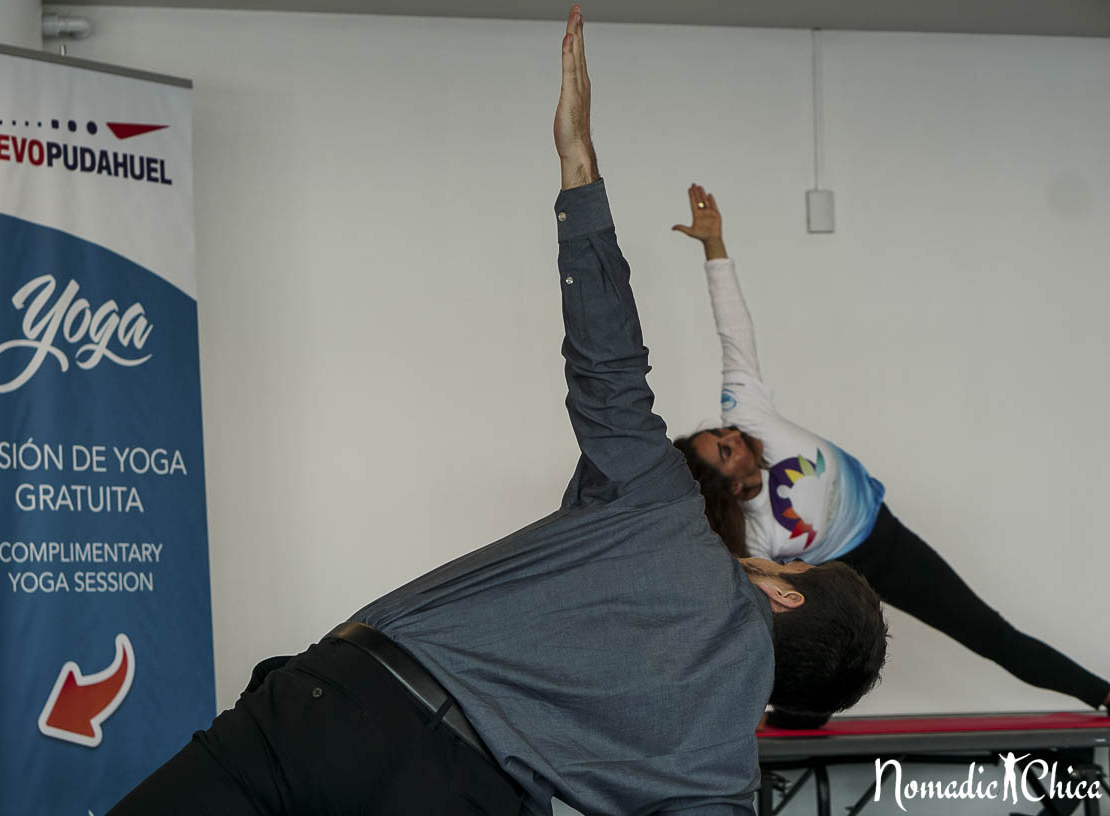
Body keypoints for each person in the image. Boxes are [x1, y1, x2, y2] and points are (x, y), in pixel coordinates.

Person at [106, 10, 888, 815]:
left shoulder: (667, 514)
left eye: (792, 565)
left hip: (346, 704)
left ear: (785, 595)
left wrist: (578, 166)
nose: (776, 559)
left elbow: (611, 364)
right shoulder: (718, 774)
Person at [671, 183, 1110, 728]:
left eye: (723, 432)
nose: (733, 435)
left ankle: (1104, 694)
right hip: (828, 575)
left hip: (883, 540)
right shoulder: (757, 541)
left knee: (988, 632)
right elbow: (743, 601)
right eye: (725, 449)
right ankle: (791, 719)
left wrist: (715, 245)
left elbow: (734, 330)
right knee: (809, 675)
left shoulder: (751, 411)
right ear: (732, 486)